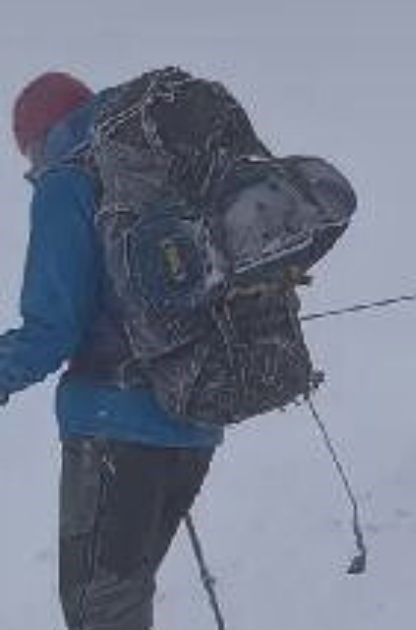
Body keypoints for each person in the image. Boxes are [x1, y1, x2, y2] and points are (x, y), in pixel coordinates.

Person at [1, 71, 220, 630]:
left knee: (100, 613)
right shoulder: (165, 168)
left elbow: (52, 329)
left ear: (38, 138)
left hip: (114, 427)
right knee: (122, 604)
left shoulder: (67, 181)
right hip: (195, 418)